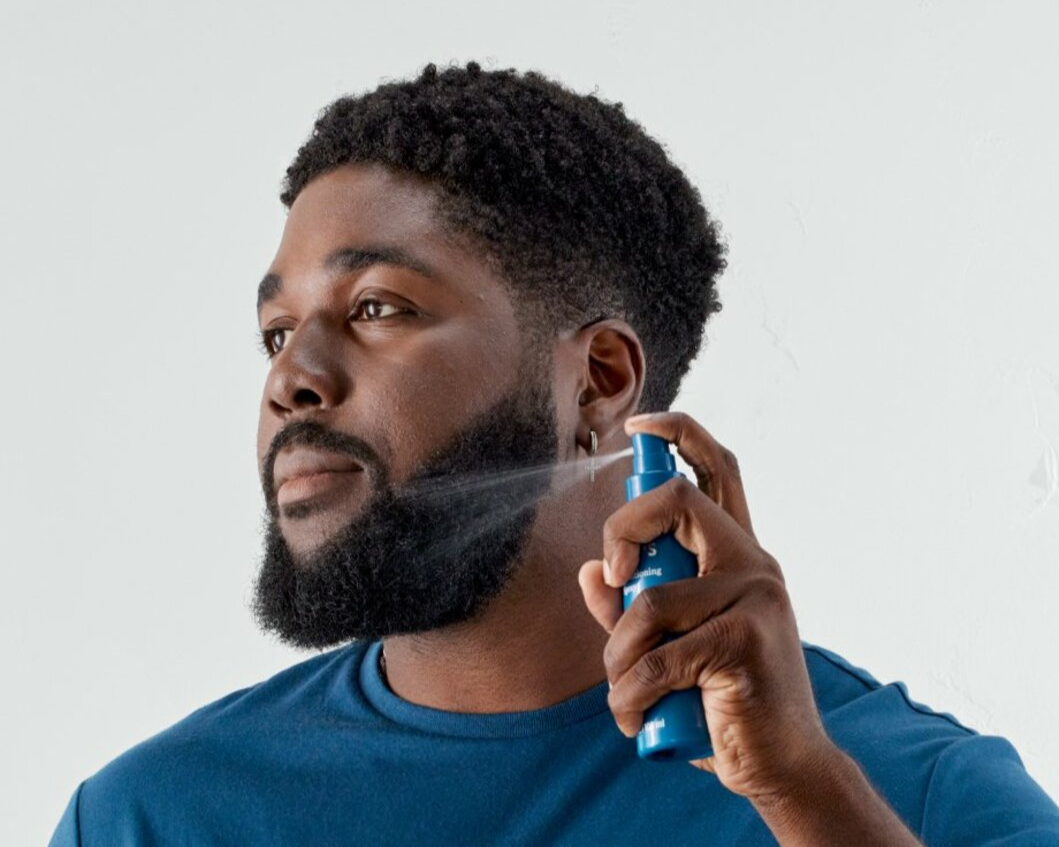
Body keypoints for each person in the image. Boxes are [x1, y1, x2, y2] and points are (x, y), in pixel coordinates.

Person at [48, 61, 1058, 847]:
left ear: (600, 381)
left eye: (376, 308)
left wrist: (802, 792)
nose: (292, 377)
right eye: (276, 332)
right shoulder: (150, 818)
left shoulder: (910, 793)